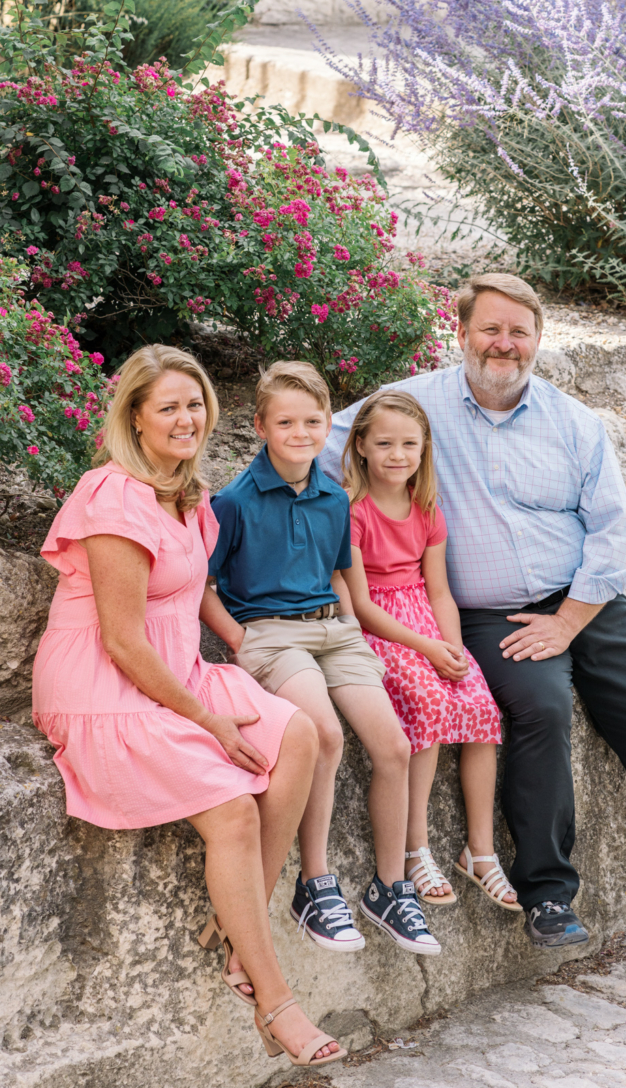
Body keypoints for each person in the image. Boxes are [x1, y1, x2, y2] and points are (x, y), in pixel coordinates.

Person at [322, 273, 626, 971]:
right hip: (486, 613)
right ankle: (548, 897)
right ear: (460, 334)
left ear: (538, 341)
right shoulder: (413, 407)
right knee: (540, 711)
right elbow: (314, 442)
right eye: (489, 329)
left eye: (519, 332)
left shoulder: (573, 422)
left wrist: (570, 620)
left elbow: (611, 533)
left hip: (586, 602)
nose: (504, 344)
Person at [32, 344, 345, 1070]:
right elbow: (120, 640)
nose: (185, 417)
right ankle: (273, 997)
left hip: (177, 672)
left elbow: (188, 597)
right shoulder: (111, 496)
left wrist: (226, 663)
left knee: (296, 736)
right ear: (135, 419)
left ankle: (241, 933)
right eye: (167, 406)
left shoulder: (187, 494)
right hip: (104, 687)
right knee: (233, 807)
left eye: (194, 403)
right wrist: (205, 720)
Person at [206, 360, 442, 957]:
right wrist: (240, 640)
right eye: (286, 421)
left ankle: (390, 888)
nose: (301, 433)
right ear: (260, 425)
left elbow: (340, 576)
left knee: (393, 744)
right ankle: (314, 883)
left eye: (314, 421)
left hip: (332, 631)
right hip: (270, 635)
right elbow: (201, 587)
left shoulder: (335, 498)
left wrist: (348, 632)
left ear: (327, 425)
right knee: (326, 735)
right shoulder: (233, 501)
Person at [338, 389, 520, 914]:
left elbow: (438, 590)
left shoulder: (426, 509)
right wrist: (425, 649)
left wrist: (454, 651)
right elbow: (362, 603)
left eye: (409, 445)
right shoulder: (353, 512)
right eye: (386, 443)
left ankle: (479, 851)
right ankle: (416, 846)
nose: (398, 455)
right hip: (384, 628)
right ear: (362, 447)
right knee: (427, 701)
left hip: (426, 620)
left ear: (424, 450)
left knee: (480, 706)